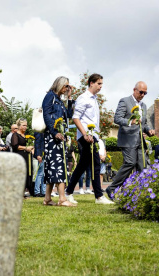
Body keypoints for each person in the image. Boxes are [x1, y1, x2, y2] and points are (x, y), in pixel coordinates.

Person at [65, 73, 114, 205]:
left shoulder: (94, 98)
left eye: (102, 84)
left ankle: (68, 192)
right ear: (91, 83)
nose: (101, 86)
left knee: (82, 166)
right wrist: (85, 134)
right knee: (96, 165)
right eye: (99, 84)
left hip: (93, 137)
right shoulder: (84, 98)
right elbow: (76, 118)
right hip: (86, 137)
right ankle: (99, 196)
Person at [105, 81, 155, 200]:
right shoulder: (125, 101)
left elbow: (144, 124)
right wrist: (130, 122)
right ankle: (111, 188)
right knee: (130, 163)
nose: (143, 95)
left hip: (140, 142)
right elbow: (117, 118)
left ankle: (140, 193)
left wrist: (149, 131)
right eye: (141, 92)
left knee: (143, 166)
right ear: (134, 90)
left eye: (145, 93)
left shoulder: (143, 106)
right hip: (127, 139)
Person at [42, 76, 75, 207]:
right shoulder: (50, 96)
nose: (67, 88)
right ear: (59, 84)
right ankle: (62, 198)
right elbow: (47, 115)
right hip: (53, 137)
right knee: (59, 167)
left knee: (53, 167)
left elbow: (69, 115)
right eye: (66, 86)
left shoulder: (60, 100)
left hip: (60, 137)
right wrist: (55, 133)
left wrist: (70, 98)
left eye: (68, 86)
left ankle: (47, 198)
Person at [11, 118, 34, 197]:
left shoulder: (26, 135)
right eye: (23, 125)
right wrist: (25, 148)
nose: (25, 127)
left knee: (27, 173)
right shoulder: (15, 135)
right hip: (19, 156)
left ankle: (23, 192)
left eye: (26, 125)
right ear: (19, 125)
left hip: (27, 156)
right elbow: (15, 146)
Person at [34, 131, 46, 197]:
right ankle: (37, 191)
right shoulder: (38, 131)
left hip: (45, 153)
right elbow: (37, 143)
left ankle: (43, 191)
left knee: (44, 173)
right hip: (41, 154)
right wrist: (38, 155)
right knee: (40, 173)